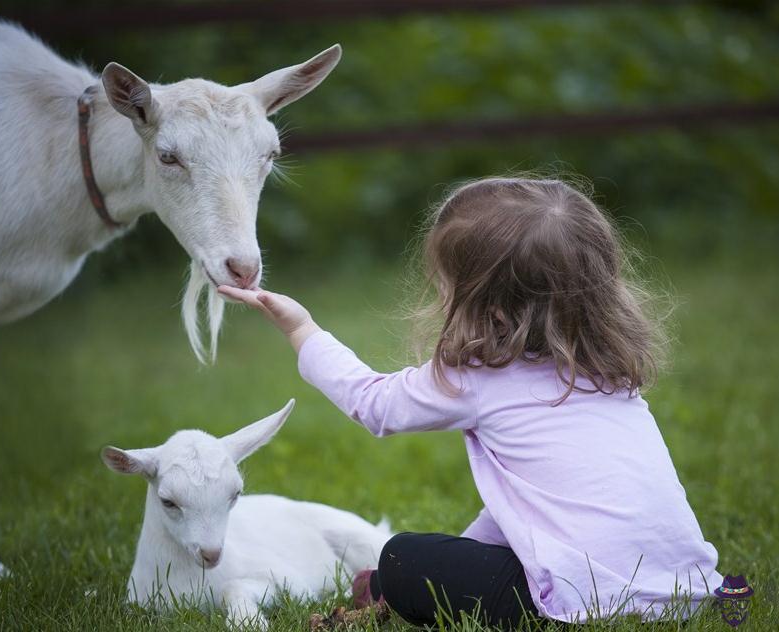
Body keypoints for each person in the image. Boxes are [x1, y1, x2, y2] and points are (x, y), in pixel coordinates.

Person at [219, 177, 721, 628]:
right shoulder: (612, 378)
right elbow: (524, 511)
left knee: (402, 558)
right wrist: (463, 553)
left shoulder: (481, 379)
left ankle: (384, 589)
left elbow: (373, 403)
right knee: (438, 558)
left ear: (489, 307)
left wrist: (301, 329)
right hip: (685, 591)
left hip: (582, 603)